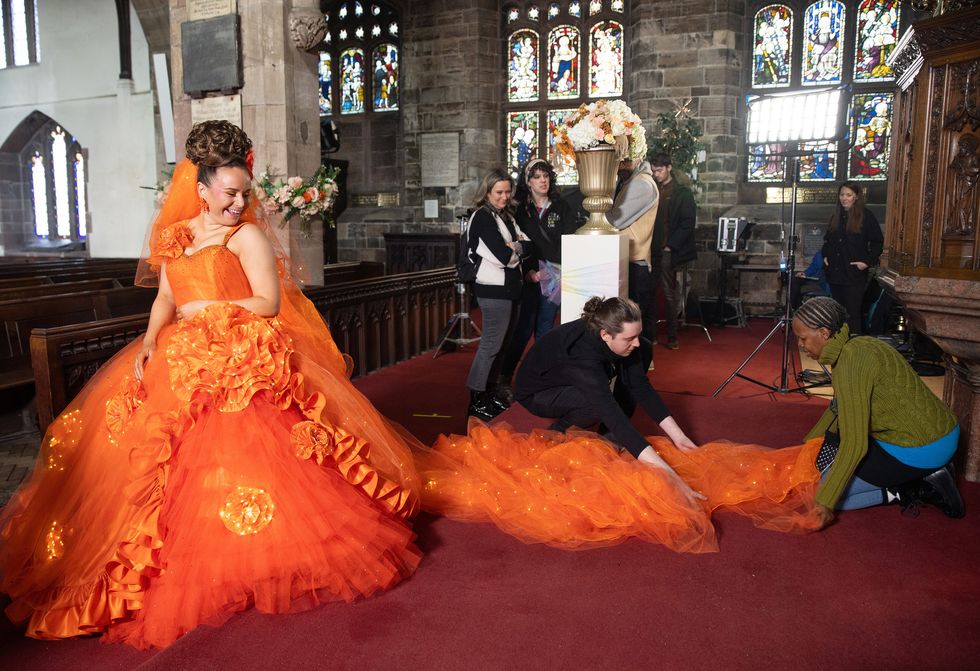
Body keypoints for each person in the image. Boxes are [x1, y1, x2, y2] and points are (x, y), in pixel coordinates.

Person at [0, 121, 422, 649]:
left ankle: (238, 560)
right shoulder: (174, 237)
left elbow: (267, 302)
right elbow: (165, 301)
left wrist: (210, 308)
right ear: (200, 190)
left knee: (243, 455)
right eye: (229, 193)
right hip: (178, 357)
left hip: (242, 359)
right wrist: (153, 339)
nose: (239, 203)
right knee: (157, 463)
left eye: (245, 193)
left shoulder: (245, 236)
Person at [792, 296, 964, 528]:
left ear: (823, 333)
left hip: (921, 447)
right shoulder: (857, 345)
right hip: (942, 430)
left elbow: (855, 443)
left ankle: (908, 488)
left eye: (802, 338)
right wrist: (808, 445)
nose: (800, 345)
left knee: (825, 489)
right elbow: (838, 408)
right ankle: (921, 474)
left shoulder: (851, 362)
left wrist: (825, 503)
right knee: (826, 471)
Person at [515, 296, 700, 494]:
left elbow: (642, 388)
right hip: (538, 392)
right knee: (594, 405)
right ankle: (554, 434)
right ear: (605, 335)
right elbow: (609, 409)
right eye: (629, 339)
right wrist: (669, 476)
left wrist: (678, 437)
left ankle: (609, 438)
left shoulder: (632, 342)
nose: (635, 342)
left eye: (637, 334)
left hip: (571, 378)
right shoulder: (582, 355)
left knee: (644, 349)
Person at [498, 158, 579, 401]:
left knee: (545, 329)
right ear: (528, 181)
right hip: (529, 278)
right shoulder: (519, 210)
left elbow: (571, 241)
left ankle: (541, 379)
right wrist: (528, 272)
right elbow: (514, 243)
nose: (543, 180)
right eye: (537, 177)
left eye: (546, 176)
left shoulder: (562, 206)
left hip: (555, 277)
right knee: (521, 331)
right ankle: (504, 378)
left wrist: (562, 271)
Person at [464, 168, 530, 421]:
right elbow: (503, 258)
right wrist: (515, 249)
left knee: (502, 345)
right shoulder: (482, 218)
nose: (504, 197)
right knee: (491, 344)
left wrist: (516, 247)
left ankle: (490, 393)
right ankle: (477, 399)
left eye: (507, 191)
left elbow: (528, 245)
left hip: (510, 288)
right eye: (498, 192)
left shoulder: (505, 217)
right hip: (492, 290)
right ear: (487, 192)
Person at [648, 153, 697, 350]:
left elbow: (687, 224)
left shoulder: (682, 193)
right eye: (653, 171)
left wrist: (671, 246)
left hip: (669, 249)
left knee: (669, 294)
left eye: (659, 170)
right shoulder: (652, 190)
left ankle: (672, 336)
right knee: (649, 292)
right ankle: (650, 335)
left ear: (669, 168)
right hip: (651, 248)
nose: (656, 174)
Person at [821, 181, 883, 334]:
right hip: (835, 272)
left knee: (853, 313)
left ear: (856, 197)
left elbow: (877, 242)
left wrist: (866, 262)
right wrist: (825, 256)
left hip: (854, 273)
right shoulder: (836, 217)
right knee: (838, 313)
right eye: (842, 195)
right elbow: (828, 241)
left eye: (848, 195)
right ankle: (838, 346)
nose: (844, 198)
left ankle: (854, 348)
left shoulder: (866, 216)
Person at [608, 157, 658, 345]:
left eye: (627, 159)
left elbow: (615, 220)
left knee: (633, 327)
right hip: (627, 260)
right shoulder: (630, 181)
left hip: (635, 263)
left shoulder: (642, 184)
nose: (621, 163)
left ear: (639, 157)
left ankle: (638, 371)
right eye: (619, 159)